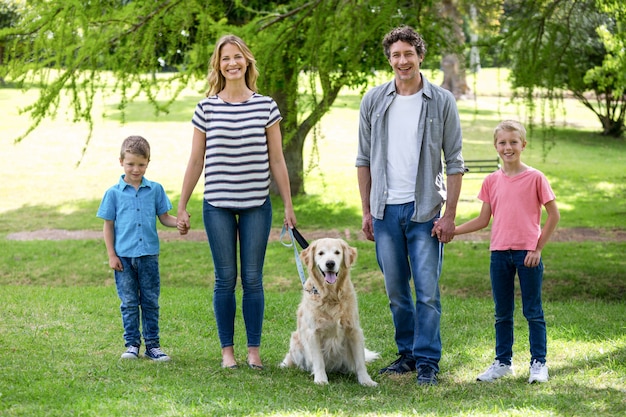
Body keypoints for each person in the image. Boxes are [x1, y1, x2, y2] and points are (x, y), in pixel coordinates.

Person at [176, 34, 297, 370]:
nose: (232, 63)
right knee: (225, 278)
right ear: (218, 64)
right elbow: (195, 160)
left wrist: (288, 206)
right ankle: (227, 351)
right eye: (225, 58)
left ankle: (254, 350)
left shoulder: (266, 105)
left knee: (254, 278)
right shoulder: (206, 107)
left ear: (247, 61)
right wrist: (183, 204)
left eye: (237, 57)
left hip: (257, 203)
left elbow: (277, 160)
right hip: (217, 205)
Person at [356, 26, 464, 385]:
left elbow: (455, 161)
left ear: (420, 56)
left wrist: (449, 216)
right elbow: (363, 160)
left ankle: (428, 362)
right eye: (395, 55)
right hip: (385, 212)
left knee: (428, 292)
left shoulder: (442, 101)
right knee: (397, 292)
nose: (402, 61)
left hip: (425, 213)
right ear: (389, 60)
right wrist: (366, 211)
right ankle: (407, 354)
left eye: (408, 54)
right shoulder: (373, 100)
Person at [454, 120, 560, 383]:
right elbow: (482, 220)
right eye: (502, 142)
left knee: (533, 311)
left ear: (523, 145)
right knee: (502, 312)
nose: (508, 147)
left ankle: (538, 364)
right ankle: (503, 362)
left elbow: (554, 216)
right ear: (495, 146)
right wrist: (452, 231)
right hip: (499, 254)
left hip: (527, 254)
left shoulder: (536, 177)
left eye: (513, 142)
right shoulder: (491, 181)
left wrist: (537, 248)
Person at [97, 135, 178, 361]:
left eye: (141, 164)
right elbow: (108, 226)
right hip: (123, 257)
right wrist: (111, 255)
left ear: (148, 163)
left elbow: (165, 218)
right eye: (131, 163)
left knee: (150, 300)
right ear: (121, 161)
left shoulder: (155, 190)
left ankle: (153, 345)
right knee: (130, 302)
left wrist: (179, 223)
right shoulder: (113, 193)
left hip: (148, 256)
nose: (136, 169)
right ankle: (132, 344)